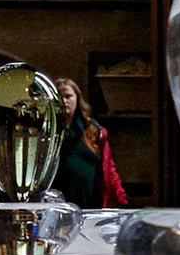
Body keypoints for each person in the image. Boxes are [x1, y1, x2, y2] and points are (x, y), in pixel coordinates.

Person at [52, 78, 129, 209]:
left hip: (90, 204)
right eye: (59, 97)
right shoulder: (48, 133)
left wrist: (120, 199)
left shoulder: (92, 130)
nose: (64, 101)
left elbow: (108, 169)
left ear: (77, 98)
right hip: (58, 204)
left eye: (68, 96)